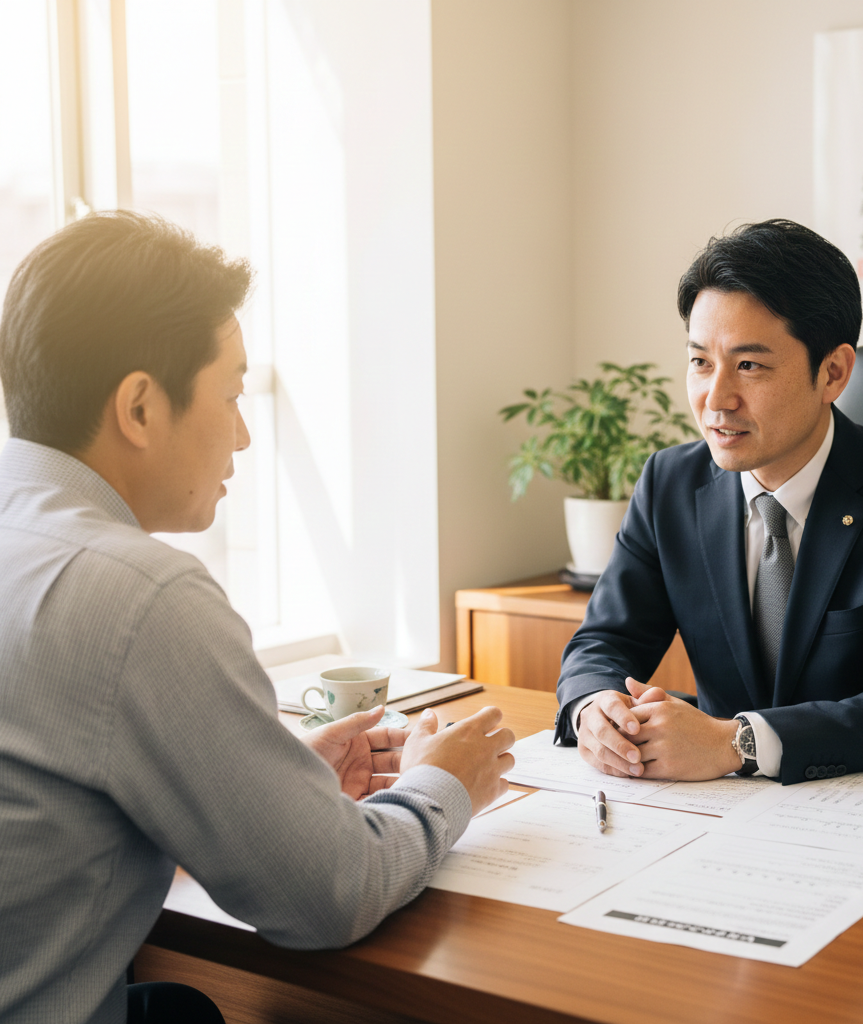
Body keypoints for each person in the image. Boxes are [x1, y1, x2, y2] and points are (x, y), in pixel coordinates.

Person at [0, 211, 514, 1024]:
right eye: (233, 393)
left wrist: (265, 783)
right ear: (139, 408)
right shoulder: (139, 594)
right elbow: (330, 897)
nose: (242, 434)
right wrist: (445, 781)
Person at [555, 219, 863, 786]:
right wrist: (595, 708)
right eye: (700, 362)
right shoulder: (670, 483)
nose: (716, 399)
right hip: (715, 813)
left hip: (861, 808)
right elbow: (605, 641)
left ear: (833, 372)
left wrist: (737, 743)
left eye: (749, 366)